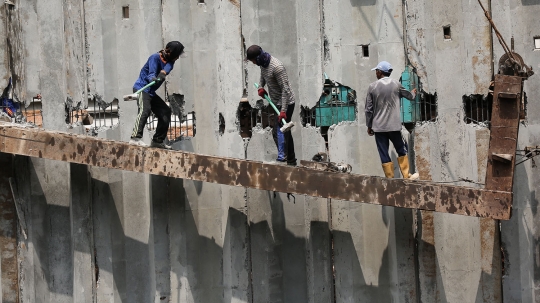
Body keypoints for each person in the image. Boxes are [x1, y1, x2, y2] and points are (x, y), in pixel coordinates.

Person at [365, 61, 419, 179]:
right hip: (394, 126)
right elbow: (409, 96)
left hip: (378, 127)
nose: (376, 73)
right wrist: (413, 93)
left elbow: (368, 109)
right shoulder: (396, 84)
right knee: (401, 149)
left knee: (383, 152)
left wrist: (369, 126)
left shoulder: (372, 87)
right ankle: (406, 175)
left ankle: (390, 178)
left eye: (376, 71)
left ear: (380, 72)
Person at [246, 45, 297, 166]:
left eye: (253, 60)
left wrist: (284, 110)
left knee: (280, 132)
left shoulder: (277, 67)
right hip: (275, 102)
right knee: (283, 132)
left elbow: (286, 90)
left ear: (258, 58)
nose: (253, 63)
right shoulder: (263, 64)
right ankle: (289, 159)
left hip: (286, 103)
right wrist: (260, 87)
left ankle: (286, 158)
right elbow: (263, 75)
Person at [129, 41, 186, 149]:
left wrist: (162, 74)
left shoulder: (170, 62)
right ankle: (135, 138)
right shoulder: (154, 57)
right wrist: (153, 78)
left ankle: (157, 141)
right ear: (171, 53)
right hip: (142, 88)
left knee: (165, 111)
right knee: (145, 110)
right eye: (177, 55)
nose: (178, 58)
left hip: (150, 91)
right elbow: (151, 73)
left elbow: (167, 69)